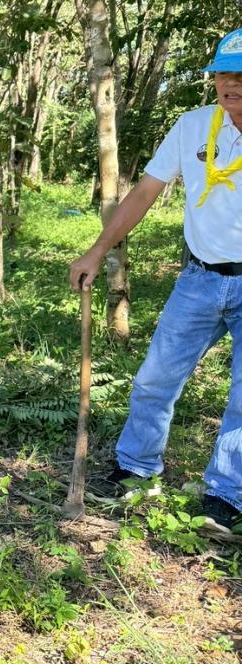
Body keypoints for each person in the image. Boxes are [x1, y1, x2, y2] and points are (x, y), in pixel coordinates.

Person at [70, 28, 242, 534]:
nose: (232, 85)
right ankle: (135, 468)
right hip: (200, 280)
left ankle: (226, 497)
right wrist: (98, 250)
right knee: (154, 377)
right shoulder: (193, 127)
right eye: (224, 75)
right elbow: (145, 192)